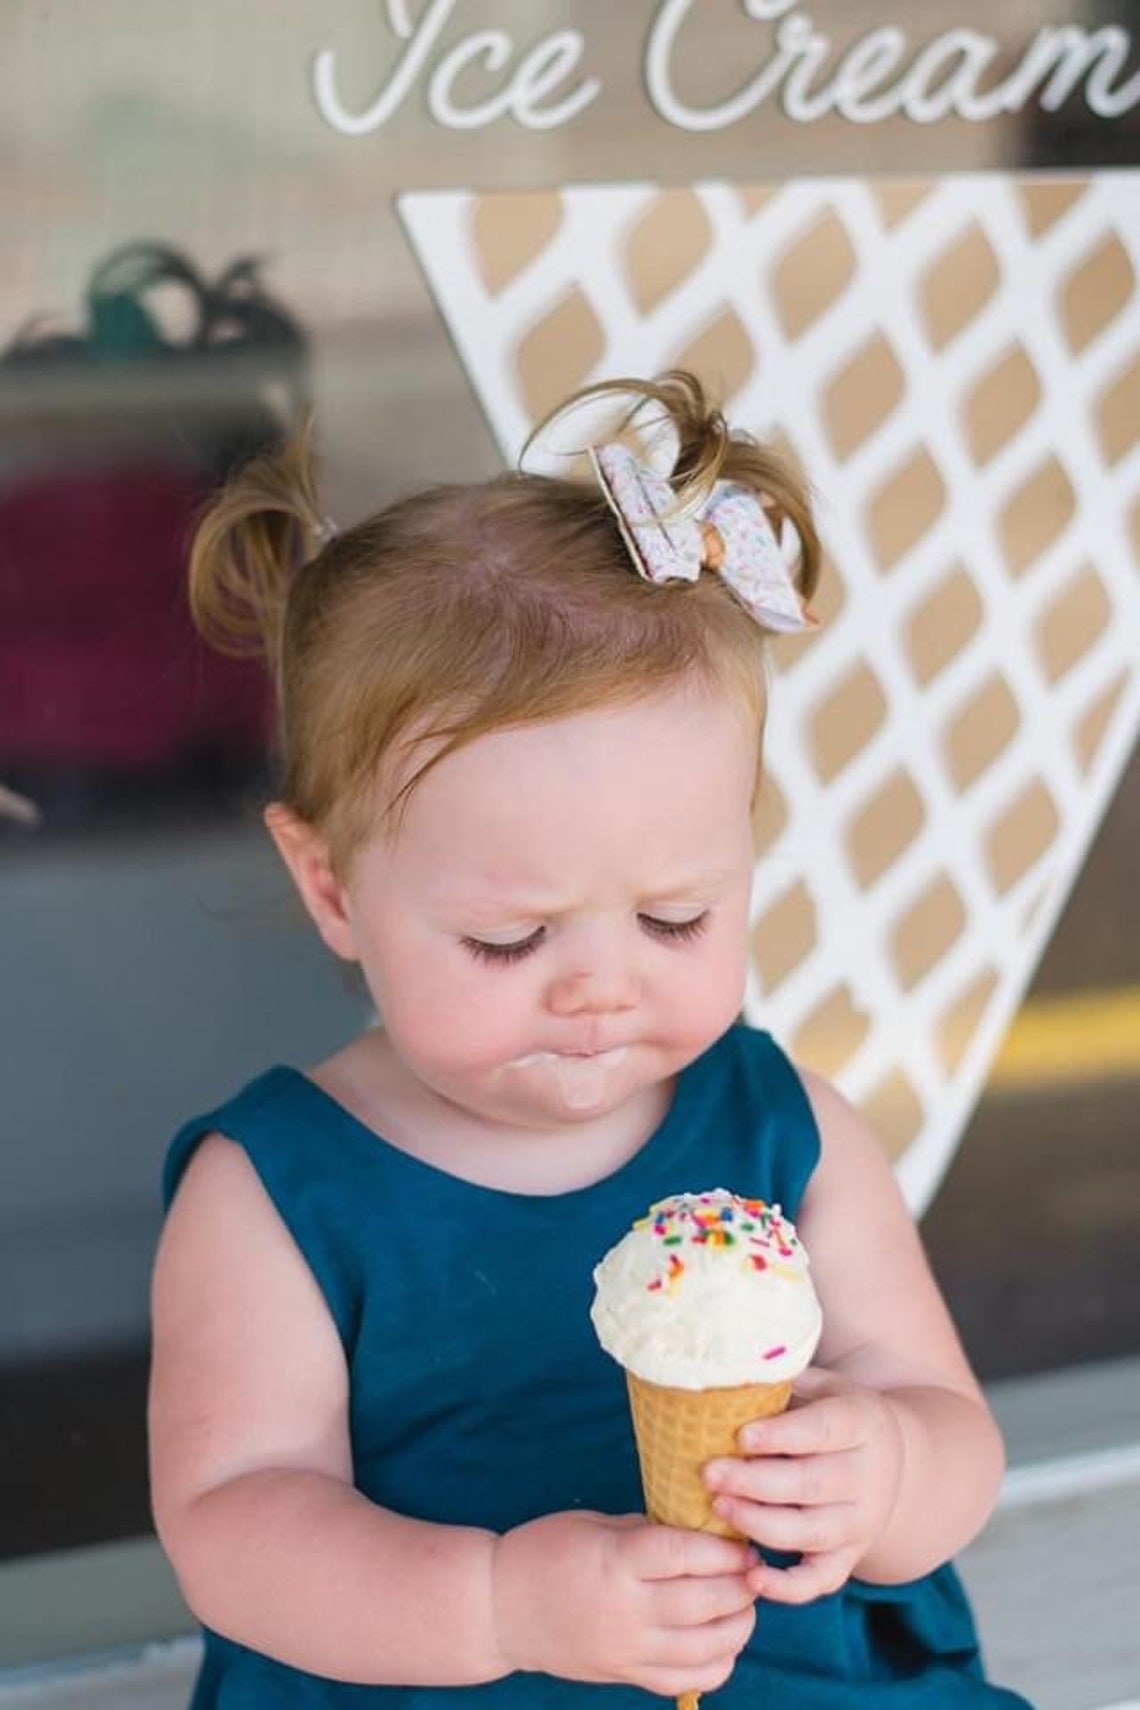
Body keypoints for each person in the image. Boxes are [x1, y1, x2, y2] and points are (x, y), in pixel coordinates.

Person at [149, 371, 1032, 1708]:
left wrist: (890, 1468)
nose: (602, 991)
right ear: (332, 885)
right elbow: (234, 1522)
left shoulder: (784, 1126)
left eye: (677, 918)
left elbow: (949, 1428)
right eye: (513, 941)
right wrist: (501, 1602)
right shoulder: (276, 1190)